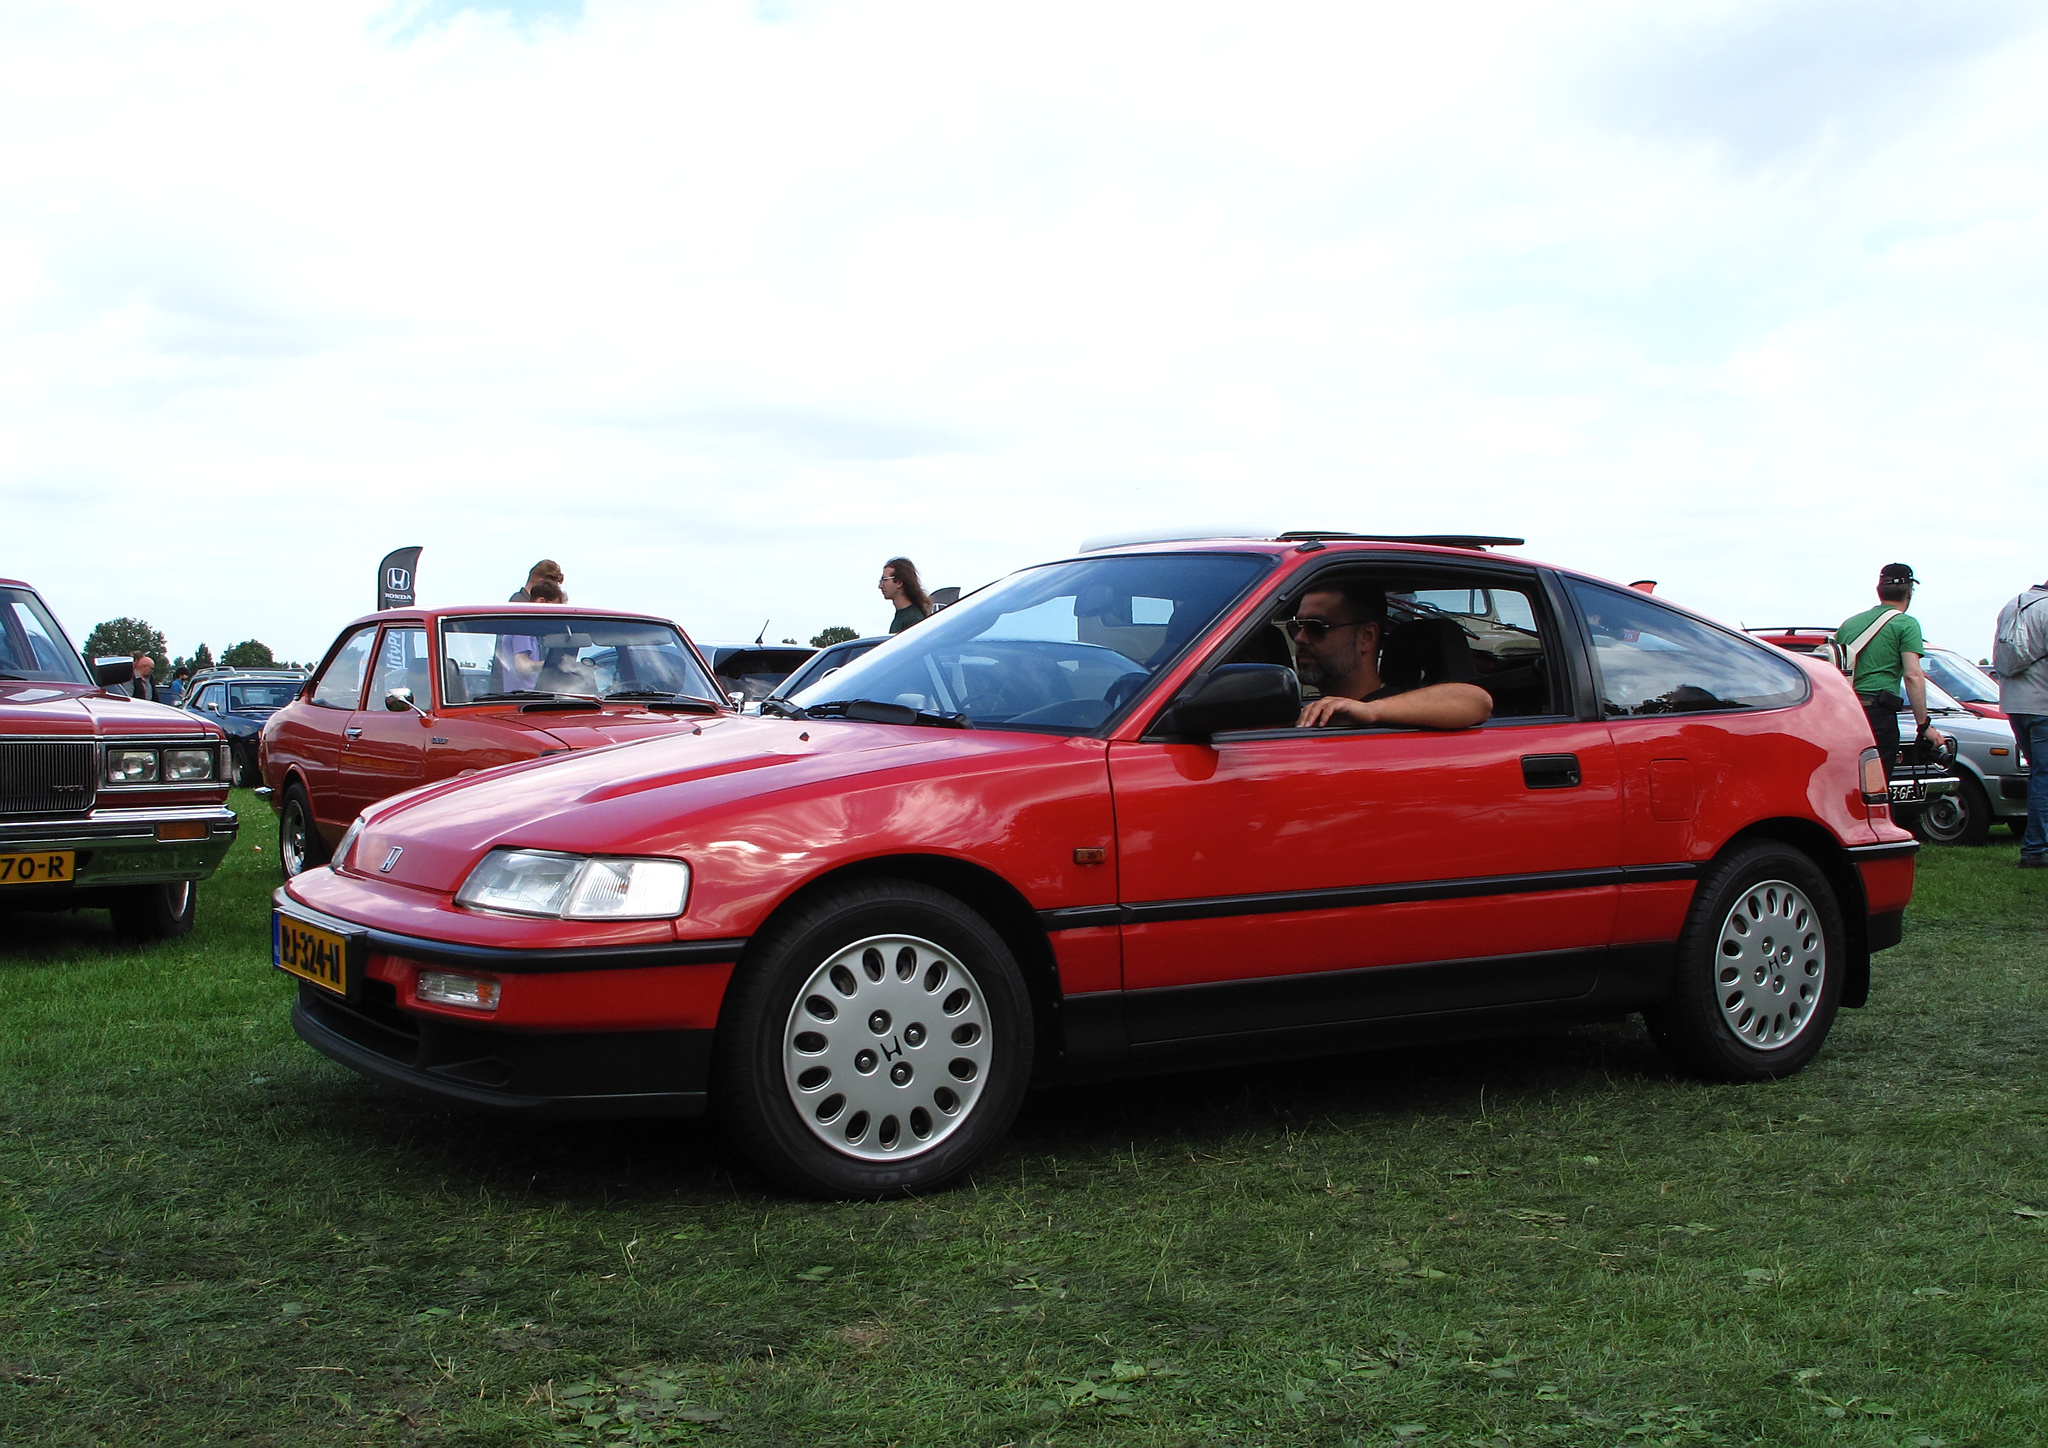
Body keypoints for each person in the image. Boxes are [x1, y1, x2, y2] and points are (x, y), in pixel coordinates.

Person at [1285, 583, 1493, 729]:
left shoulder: (1398, 710)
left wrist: (1370, 711)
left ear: (1367, 636)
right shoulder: (1301, 711)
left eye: (1316, 627)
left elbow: (1477, 701)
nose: (1300, 638)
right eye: (1296, 626)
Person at [1836, 563, 1947, 776]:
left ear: (1879, 591)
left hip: (1848, 714)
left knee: (1851, 782)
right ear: (1909, 592)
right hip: (1879, 714)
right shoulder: (1906, 624)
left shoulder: (1849, 624)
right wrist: (1923, 725)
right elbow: (1913, 676)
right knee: (1878, 784)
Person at [1993, 573, 2048, 868]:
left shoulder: (2013, 606)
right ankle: (2035, 849)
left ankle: (2036, 845)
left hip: (2015, 703)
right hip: (2043, 705)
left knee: (2038, 776)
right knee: (2044, 778)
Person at [879, 558, 932, 634]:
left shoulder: (913, 619)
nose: (880, 586)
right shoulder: (902, 615)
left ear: (899, 583)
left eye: (885, 580)